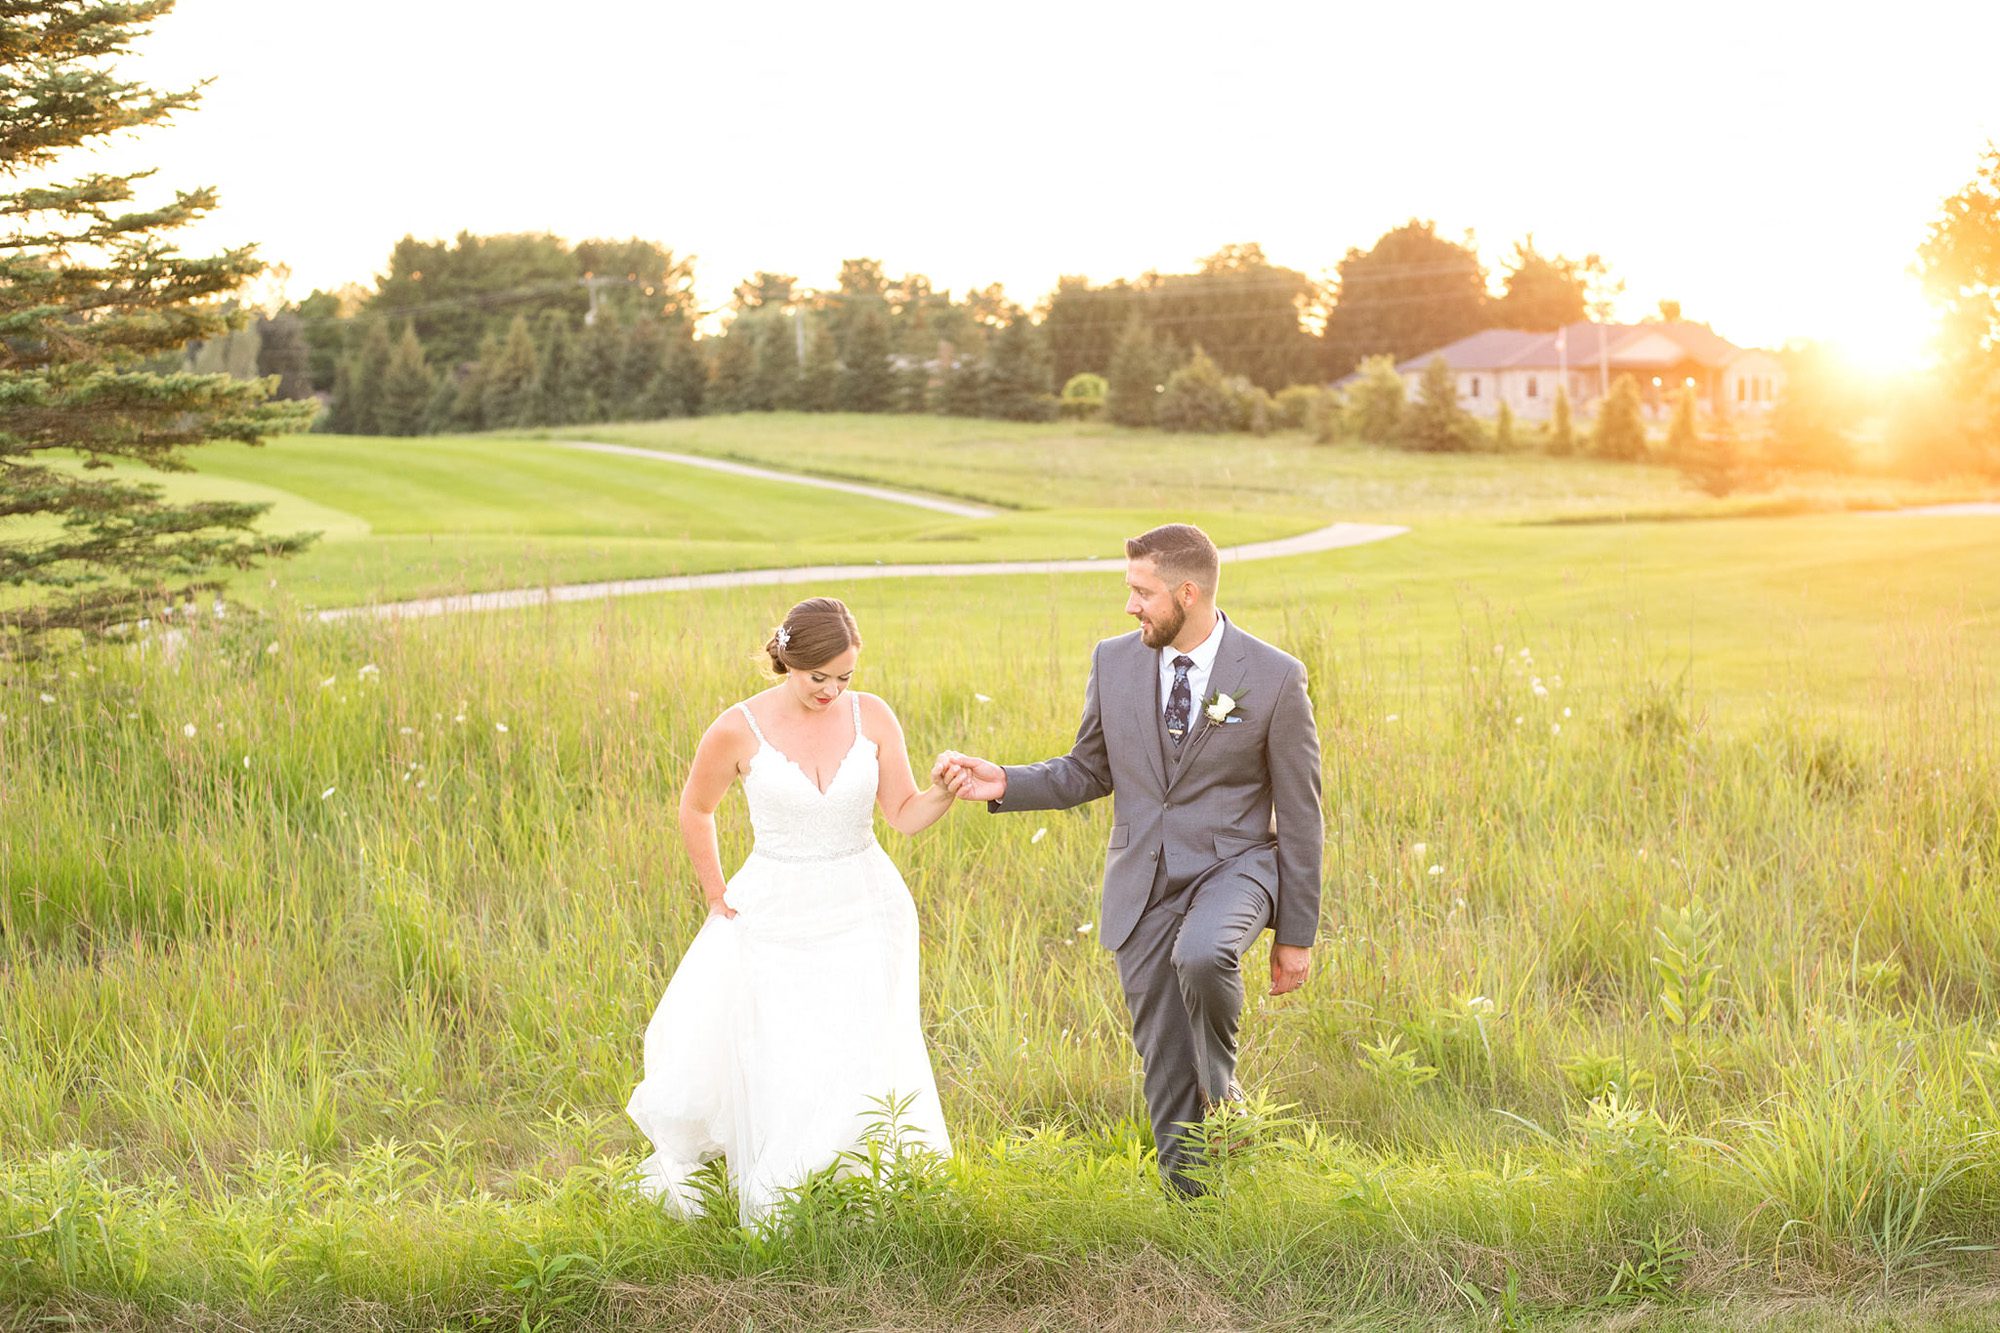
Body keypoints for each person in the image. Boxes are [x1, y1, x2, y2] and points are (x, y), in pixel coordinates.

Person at [936, 523, 1323, 1196]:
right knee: (1166, 1065)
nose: (1130, 606)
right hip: (1141, 881)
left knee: (1202, 955)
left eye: (1141, 592)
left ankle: (1225, 1094)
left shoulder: (1273, 676)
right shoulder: (1112, 661)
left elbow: (1300, 811)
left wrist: (1296, 935)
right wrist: (1004, 779)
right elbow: (1088, 770)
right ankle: (1194, 1213)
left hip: (1236, 868)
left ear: (1188, 591)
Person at [626, 596, 955, 1224]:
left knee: (861, 1041)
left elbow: (904, 815)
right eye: (818, 677)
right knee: (783, 1045)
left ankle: (864, 1181)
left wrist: (943, 790)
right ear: (787, 660)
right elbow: (696, 808)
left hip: (865, 903)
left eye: (845, 678)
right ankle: (783, 1180)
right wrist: (715, 892)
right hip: (774, 908)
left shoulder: (874, 717)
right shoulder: (737, 727)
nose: (832, 690)